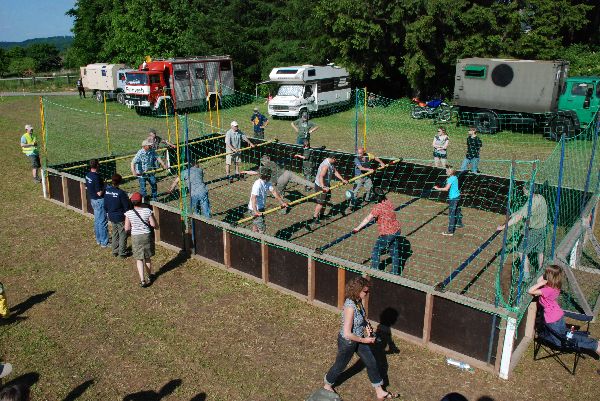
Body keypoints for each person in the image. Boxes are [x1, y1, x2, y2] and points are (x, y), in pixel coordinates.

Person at [323, 276, 399, 400]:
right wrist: (365, 340)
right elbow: (347, 333)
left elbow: (363, 317)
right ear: (357, 290)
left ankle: (379, 391)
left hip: (359, 339)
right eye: (365, 291)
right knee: (340, 366)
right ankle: (327, 385)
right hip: (347, 342)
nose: (367, 293)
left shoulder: (358, 301)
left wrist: (367, 326)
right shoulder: (349, 306)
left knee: (371, 362)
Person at [528, 264, 600, 355]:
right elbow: (540, 279)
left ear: (549, 277)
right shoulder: (556, 286)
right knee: (566, 335)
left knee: (562, 341)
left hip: (552, 319)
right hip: (559, 315)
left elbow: (530, 290)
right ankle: (595, 343)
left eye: (546, 274)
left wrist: (541, 283)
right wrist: (549, 275)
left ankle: (594, 346)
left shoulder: (547, 290)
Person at [497, 183, 548, 279]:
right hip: (543, 228)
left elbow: (519, 217)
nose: (523, 190)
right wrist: (516, 213)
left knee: (521, 251)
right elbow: (523, 211)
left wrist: (503, 227)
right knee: (540, 251)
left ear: (529, 191)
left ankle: (526, 276)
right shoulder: (540, 197)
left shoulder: (531, 202)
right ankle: (541, 272)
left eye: (524, 189)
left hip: (534, 230)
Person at [353, 189, 403, 275]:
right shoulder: (388, 201)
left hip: (387, 233)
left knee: (376, 251)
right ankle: (395, 273)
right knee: (394, 252)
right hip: (396, 230)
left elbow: (368, 218)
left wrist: (357, 228)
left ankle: (374, 271)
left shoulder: (378, 207)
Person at [124, 192, 157, 288]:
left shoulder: (129, 213)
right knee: (147, 257)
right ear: (141, 201)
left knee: (139, 258)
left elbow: (126, 228)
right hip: (146, 235)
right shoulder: (147, 211)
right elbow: (153, 224)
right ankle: (150, 276)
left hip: (136, 237)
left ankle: (142, 280)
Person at [307, 156, 348, 229]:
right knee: (320, 203)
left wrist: (342, 179)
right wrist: (323, 187)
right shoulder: (325, 165)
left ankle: (321, 215)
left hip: (326, 185)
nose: (336, 161)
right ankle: (315, 218)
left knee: (325, 201)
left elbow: (335, 171)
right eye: (336, 159)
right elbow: (321, 176)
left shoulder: (331, 163)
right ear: (333, 158)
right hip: (321, 186)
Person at [241, 155, 313, 196]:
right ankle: (318, 186)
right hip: (287, 173)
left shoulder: (264, 167)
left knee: (279, 194)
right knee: (303, 181)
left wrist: (245, 171)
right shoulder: (272, 162)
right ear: (268, 159)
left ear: (263, 162)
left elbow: (254, 172)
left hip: (281, 179)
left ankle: (284, 208)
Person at [247, 167, 288, 234]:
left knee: (256, 224)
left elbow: (274, 192)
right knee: (262, 228)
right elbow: (253, 198)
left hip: (261, 207)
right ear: (267, 177)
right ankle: (260, 241)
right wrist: (255, 211)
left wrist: (282, 202)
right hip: (254, 209)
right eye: (270, 176)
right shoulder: (257, 185)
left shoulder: (267, 182)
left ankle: (254, 236)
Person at [104, 174, 131, 258]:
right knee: (122, 234)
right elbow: (126, 206)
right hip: (120, 216)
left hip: (111, 215)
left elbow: (105, 204)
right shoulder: (121, 193)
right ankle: (122, 253)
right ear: (120, 182)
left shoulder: (107, 191)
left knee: (115, 233)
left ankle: (115, 250)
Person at [86, 159, 109, 247]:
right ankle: (104, 242)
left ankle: (98, 239)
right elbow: (99, 193)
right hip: (99, 200)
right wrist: (105, 185)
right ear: (97, 165)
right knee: (102, 221)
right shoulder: (96, 177)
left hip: (92, 199)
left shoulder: (88, 175)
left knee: (97, 220)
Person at [433, 166, 462, 236]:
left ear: (450, 172)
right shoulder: (455, 177)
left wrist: (437, 188)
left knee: (451, 214)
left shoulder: (450, 179)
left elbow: (446, 189)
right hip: (458, 196)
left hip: (453, 198)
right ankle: (459, 223)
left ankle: (450, 231)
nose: (445, 172)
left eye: (447, 171)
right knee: (457, 211)